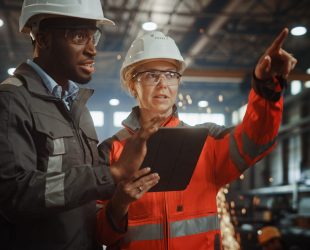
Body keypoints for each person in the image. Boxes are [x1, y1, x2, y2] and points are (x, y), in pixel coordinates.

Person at [96, 29, 297, 250]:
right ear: (133, 85)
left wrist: (266, 89)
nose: (163, 84)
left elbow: (256, 140)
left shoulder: (206, 142)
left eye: (171, 75)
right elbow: (99, 235)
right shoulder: (111, 151)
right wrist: (119, 204)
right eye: (151, 75)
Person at [0, 1, 162, 250]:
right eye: (78, 36)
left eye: (93, 36)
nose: (92, 50)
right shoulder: (12, 100)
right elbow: (14, 195)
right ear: (42, 40)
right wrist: (112, 174)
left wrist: (121, 194)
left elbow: (85, 191)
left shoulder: (79, 107)